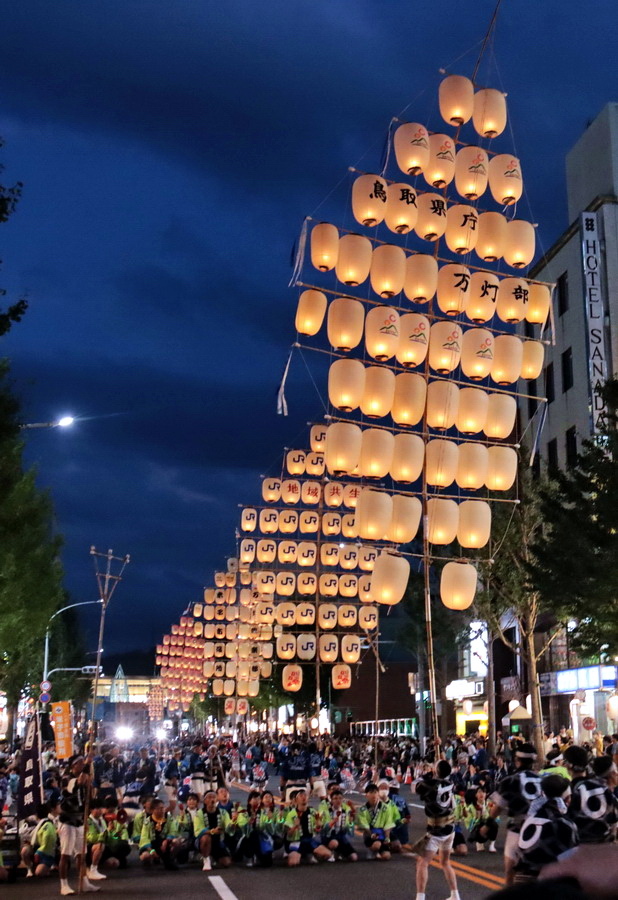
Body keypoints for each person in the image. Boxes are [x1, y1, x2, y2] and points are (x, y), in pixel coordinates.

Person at [489, 741, 543, 886]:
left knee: (510, 872)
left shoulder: (510, 780)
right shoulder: (543, 780)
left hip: (518, 830)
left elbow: (497, 808)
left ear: (517, 760)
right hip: (542, 831)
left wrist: (486, 824)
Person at [515, 774, 579, 884]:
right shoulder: (564, 823)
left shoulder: (531, 818)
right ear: (567, 798)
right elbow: (572, 861)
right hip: (547, 884)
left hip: (521, 881)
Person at [414, 760, 460, 900]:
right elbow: (442, 774)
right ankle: (455, 895)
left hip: (437, 830)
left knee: (422, 862)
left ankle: (420, 897)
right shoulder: (452, 783)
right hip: (450, 829)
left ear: (436, 770)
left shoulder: (430, 785)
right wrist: (436, 770)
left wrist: (429, 773)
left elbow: (416, 787)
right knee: (445, 862)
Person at [566, 749, 618, 843]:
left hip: (578, 842)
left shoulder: (575, 788)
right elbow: (613, 823)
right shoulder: (607, 793)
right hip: (602, 843)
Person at [283, 788, 331, 865]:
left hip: (309, 840)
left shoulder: (313, 812)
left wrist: (318, 827)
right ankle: (303, 855)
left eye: (305, 795)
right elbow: (288, 834)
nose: (304, 797)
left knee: (328, 854)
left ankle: (310, 854)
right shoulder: (291, 814)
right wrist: (295, 826)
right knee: (293, 863)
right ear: (296, 800)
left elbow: (318, 830)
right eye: (301, 796)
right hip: (296, 842)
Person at [357, 782, 395, 861]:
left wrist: (387, 837)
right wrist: (372, 835)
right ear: (366, 795)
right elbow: (364, 826)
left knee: (386, 856)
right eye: (371, 792)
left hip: (382, 833)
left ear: (378, 794)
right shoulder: (362, 809)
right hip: (370, 833)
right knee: (376, 845)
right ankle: (372, 850)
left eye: (375, 792)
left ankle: (380, 850)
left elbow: (388, 823)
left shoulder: (386, 808)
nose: (373, 795)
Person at [22, 800, 60, 877]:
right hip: (35, 845)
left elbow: (48, 842)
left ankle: (50, 864)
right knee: (24, 851)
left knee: (39, 873)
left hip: (46, 849)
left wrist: (38, 853)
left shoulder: (50, 822)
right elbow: (25, 834)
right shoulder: (31, 820)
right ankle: (29, 868)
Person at [138, 797, 178, 870]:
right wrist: (151, 850)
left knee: (176, 842)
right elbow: (144, 838)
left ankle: (171, 858)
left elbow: (173, 830)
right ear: (153, 810)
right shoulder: (147, 822)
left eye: (163, 808)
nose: (162, 810)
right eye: (159, 809)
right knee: (145, 856)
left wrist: (167, 840)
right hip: (152, 845)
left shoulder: (169, 818)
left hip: (164, 844)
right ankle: (149, 860)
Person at [320, 787, 357, 861]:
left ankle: (339, 852)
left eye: (340, 798)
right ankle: (330, 852)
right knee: (334, 843)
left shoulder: (346, 810)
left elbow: (350, 832)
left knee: (354, 857)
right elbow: (323, 830)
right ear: (331, 800)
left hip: (341, 836)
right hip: (329, 836)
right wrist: (331, 823)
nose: (338, 800)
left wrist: (351, 822)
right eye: (335, 798)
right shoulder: (326, 811)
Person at [201, 789, 233, 870]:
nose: (212, 799)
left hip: (218, 841)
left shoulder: (223, 812)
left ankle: (213, 856)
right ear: (205, 801)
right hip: (203, 840)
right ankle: (206, 859)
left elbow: (228, 826)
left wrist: (233, 823)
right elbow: (198, 830)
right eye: (209, 797)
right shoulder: (199, 813)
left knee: (226, 862)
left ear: (217, 800)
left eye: (214, 797)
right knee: (206, 838)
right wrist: (212, 831)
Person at [85, 799, 108, 881]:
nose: (100, 811)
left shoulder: (102, 820)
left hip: (103, 846)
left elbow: (108, 835)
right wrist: (106, 833)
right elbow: (92, 838)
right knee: (99, 845)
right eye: (98, 808)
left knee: (114, 863)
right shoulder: (88, 821)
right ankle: (93, 870)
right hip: (88, 848)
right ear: (91, 810)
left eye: (101, 808)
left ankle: (95, 866)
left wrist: (115, 835)